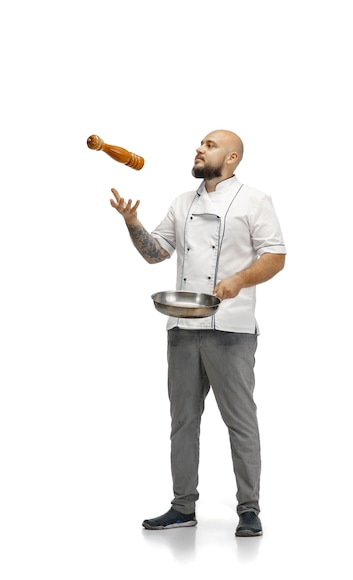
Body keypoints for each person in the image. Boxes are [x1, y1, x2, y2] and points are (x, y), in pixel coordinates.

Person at [110, 130, 286, 537]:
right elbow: (156, 253)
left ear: (232, 158)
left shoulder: (255, 200)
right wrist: (132, 223)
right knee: (183, 421)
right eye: (200, 144)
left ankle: (249, 508)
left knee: (240, 422)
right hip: (182, 329)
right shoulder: (182, 203)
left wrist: (239, 280)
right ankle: (182, 506)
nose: (199, 148)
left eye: (209, 144)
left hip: (232, 331)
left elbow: (275, 256)